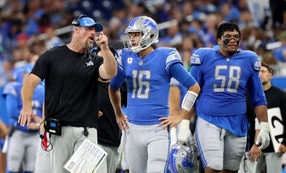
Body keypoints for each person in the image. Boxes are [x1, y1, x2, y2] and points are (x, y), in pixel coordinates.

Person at [17, 14, 117, 173]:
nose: (93, 33)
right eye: (89, 29)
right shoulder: (52, 55)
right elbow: (30, 83)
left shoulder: (94, 60)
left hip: (87, 132)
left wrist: (105, 49)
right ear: (76, 30)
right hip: (59, 130)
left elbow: (111, 73)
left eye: (95, 30)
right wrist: (27, 107)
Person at [108, 16, 200, 173]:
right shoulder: (126, 56)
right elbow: (113, 87)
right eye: (131, 35)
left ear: (149, 35)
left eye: (136, 34)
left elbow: (194, 87)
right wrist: (118, 114)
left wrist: (180, 116)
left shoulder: (165, 56)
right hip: (133, 129)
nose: (132, 39)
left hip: (157, 129)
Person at [188, 22, 270, 173]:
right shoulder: (204, 56)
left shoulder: (249, 59)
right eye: (228, 37)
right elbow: (191, 92)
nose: (233, 40)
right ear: (218, 40)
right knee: (213, 167)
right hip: (209, 119)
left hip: (237, 121)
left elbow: (258, 98)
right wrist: (184, 122)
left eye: (236, 37)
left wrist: (264, 126)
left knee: (231, 169)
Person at [239, 62, 286, 173]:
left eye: (263, 71)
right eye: (258, 72)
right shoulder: (248, 95)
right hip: (253, 146)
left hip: (274, 146)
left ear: (271, 75)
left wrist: (284, 142)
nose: (260, 74)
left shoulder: (280, 95)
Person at [3, 57, 44, 173]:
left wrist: (37, 125)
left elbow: (46, 115)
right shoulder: (14, 88)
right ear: (23, 75)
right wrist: (31, 121)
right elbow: (11, 111)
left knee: (31, 168)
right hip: (18, 132)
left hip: (35, 134)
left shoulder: (42, 90)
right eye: (29, 74)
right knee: (13, 166)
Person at [91, 45, 127, 173]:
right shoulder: (85, 83)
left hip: (112, 141)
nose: (103, 65)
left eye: (107, 60)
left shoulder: (121, 85)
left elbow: (134, 106)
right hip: (89, 141)